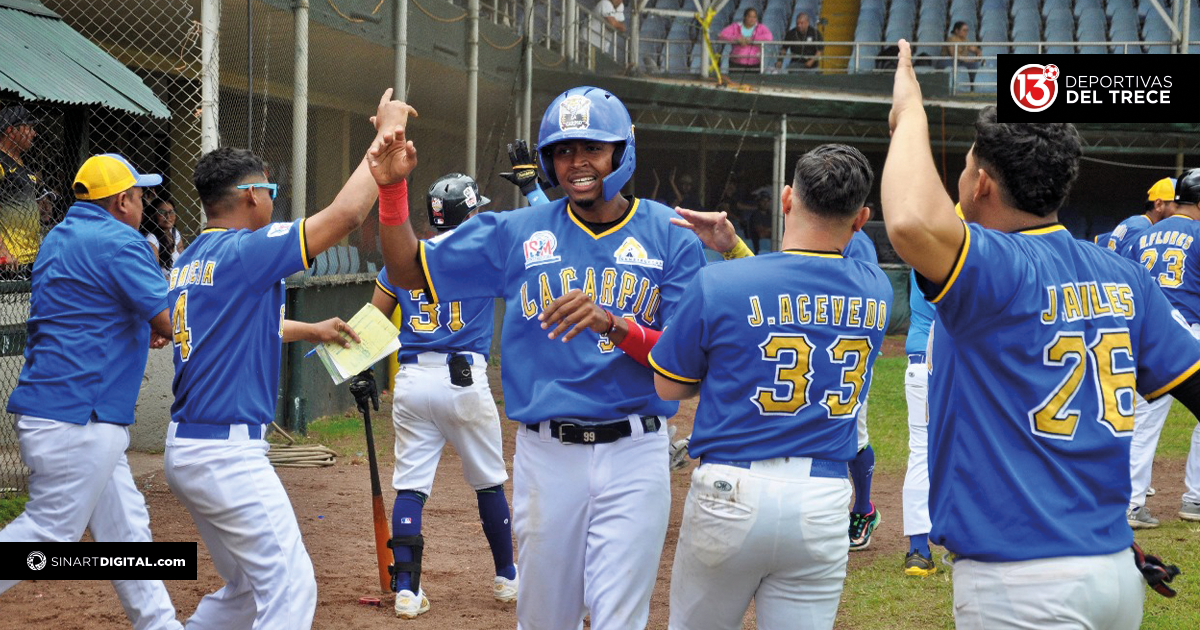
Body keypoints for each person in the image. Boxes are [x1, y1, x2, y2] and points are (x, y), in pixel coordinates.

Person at [883, 40, 1195, 628]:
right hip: (1112, 570)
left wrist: (911, 110)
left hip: (1020, 584)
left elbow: (908, 219)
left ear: (980, 187)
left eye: (969, 165)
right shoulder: (1124, 276)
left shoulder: (993, 266)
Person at [376, 86, 707, 630]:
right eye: (562, 150)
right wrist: (392, 191)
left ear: (621, 152)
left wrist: (615, 324)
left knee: (618, 618)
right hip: (547, 454)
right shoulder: (517, 231)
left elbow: (685, 368)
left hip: (636, 451)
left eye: (591, 148)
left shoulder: (669, 235)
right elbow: (409, 270)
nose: (576, 163)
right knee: (543, 617)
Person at [163, 90, 416, 629]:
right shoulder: (244, 250)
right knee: (291, 588)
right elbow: (346, 215)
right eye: (269, 188)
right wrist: (383, 140)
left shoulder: (190, 259)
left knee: (245, 593)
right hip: (226, 455)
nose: (272, 198)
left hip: (188, 448)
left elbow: (241, 326)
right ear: (250, 196)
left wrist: (312, 328)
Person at [651, 144, 891, 630]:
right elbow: (800, 285)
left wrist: (731, 254)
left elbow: (669, 388)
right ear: (862, 218)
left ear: (786, 199)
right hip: (823, 500)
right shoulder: (877, 289)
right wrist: (735, 249)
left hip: (731, 491)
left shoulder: (720, 283)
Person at [0, 153, 184, 629]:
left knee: (127, 533)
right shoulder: (123, 242)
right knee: (48, 532)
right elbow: (170, 320)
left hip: (63, 408)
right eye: (140, 196)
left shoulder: (59, 237)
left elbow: (84, 313)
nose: (143, 203)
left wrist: (137, 326)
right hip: (77, 415)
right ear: (122, 201)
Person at [369, 173, 517, 618]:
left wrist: (358, 371)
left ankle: (407, 592)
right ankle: (506, 578)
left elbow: (373, 320)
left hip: (412, 381)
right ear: (469, 214)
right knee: (489, 481)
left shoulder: (403, 258)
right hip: (465, 380)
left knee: (410, 487)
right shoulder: (487, 257)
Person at [1123, 169, 1200, 528]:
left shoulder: (1144, 234)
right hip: (1186, 332)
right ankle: (1194, 497)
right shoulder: (1199, 233)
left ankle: (1130, 501)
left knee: (1141, 420)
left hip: (1144, 331)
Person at [901, 271, 937, 575]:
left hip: (919, 366)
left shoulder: (920, 243)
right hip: (957, 361)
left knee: (921, 452)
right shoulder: (974, 245)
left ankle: (918, 550)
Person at [0, 104, 49, 268]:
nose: (34, 133)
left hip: (30, 258)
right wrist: (2, 250)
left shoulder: (23, 162)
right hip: (9, 261)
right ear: (10, 130)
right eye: (29, 127)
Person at [1094, 177, 1176, 256]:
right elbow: (1128, 266)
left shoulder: (1135, 222)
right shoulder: (1141, 229)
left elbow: (1100, 242)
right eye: (1178, 206)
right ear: (1158, 205)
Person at [719, 8, 773, 73]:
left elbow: (769, 37)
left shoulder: (760, 27)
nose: (752, 19)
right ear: (745, 17)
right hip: (736, 63)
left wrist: (751, 39)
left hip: (754, 63)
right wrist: (737, 39)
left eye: (754, 17)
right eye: (750, 16)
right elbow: (722, 35)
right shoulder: (735, 26)